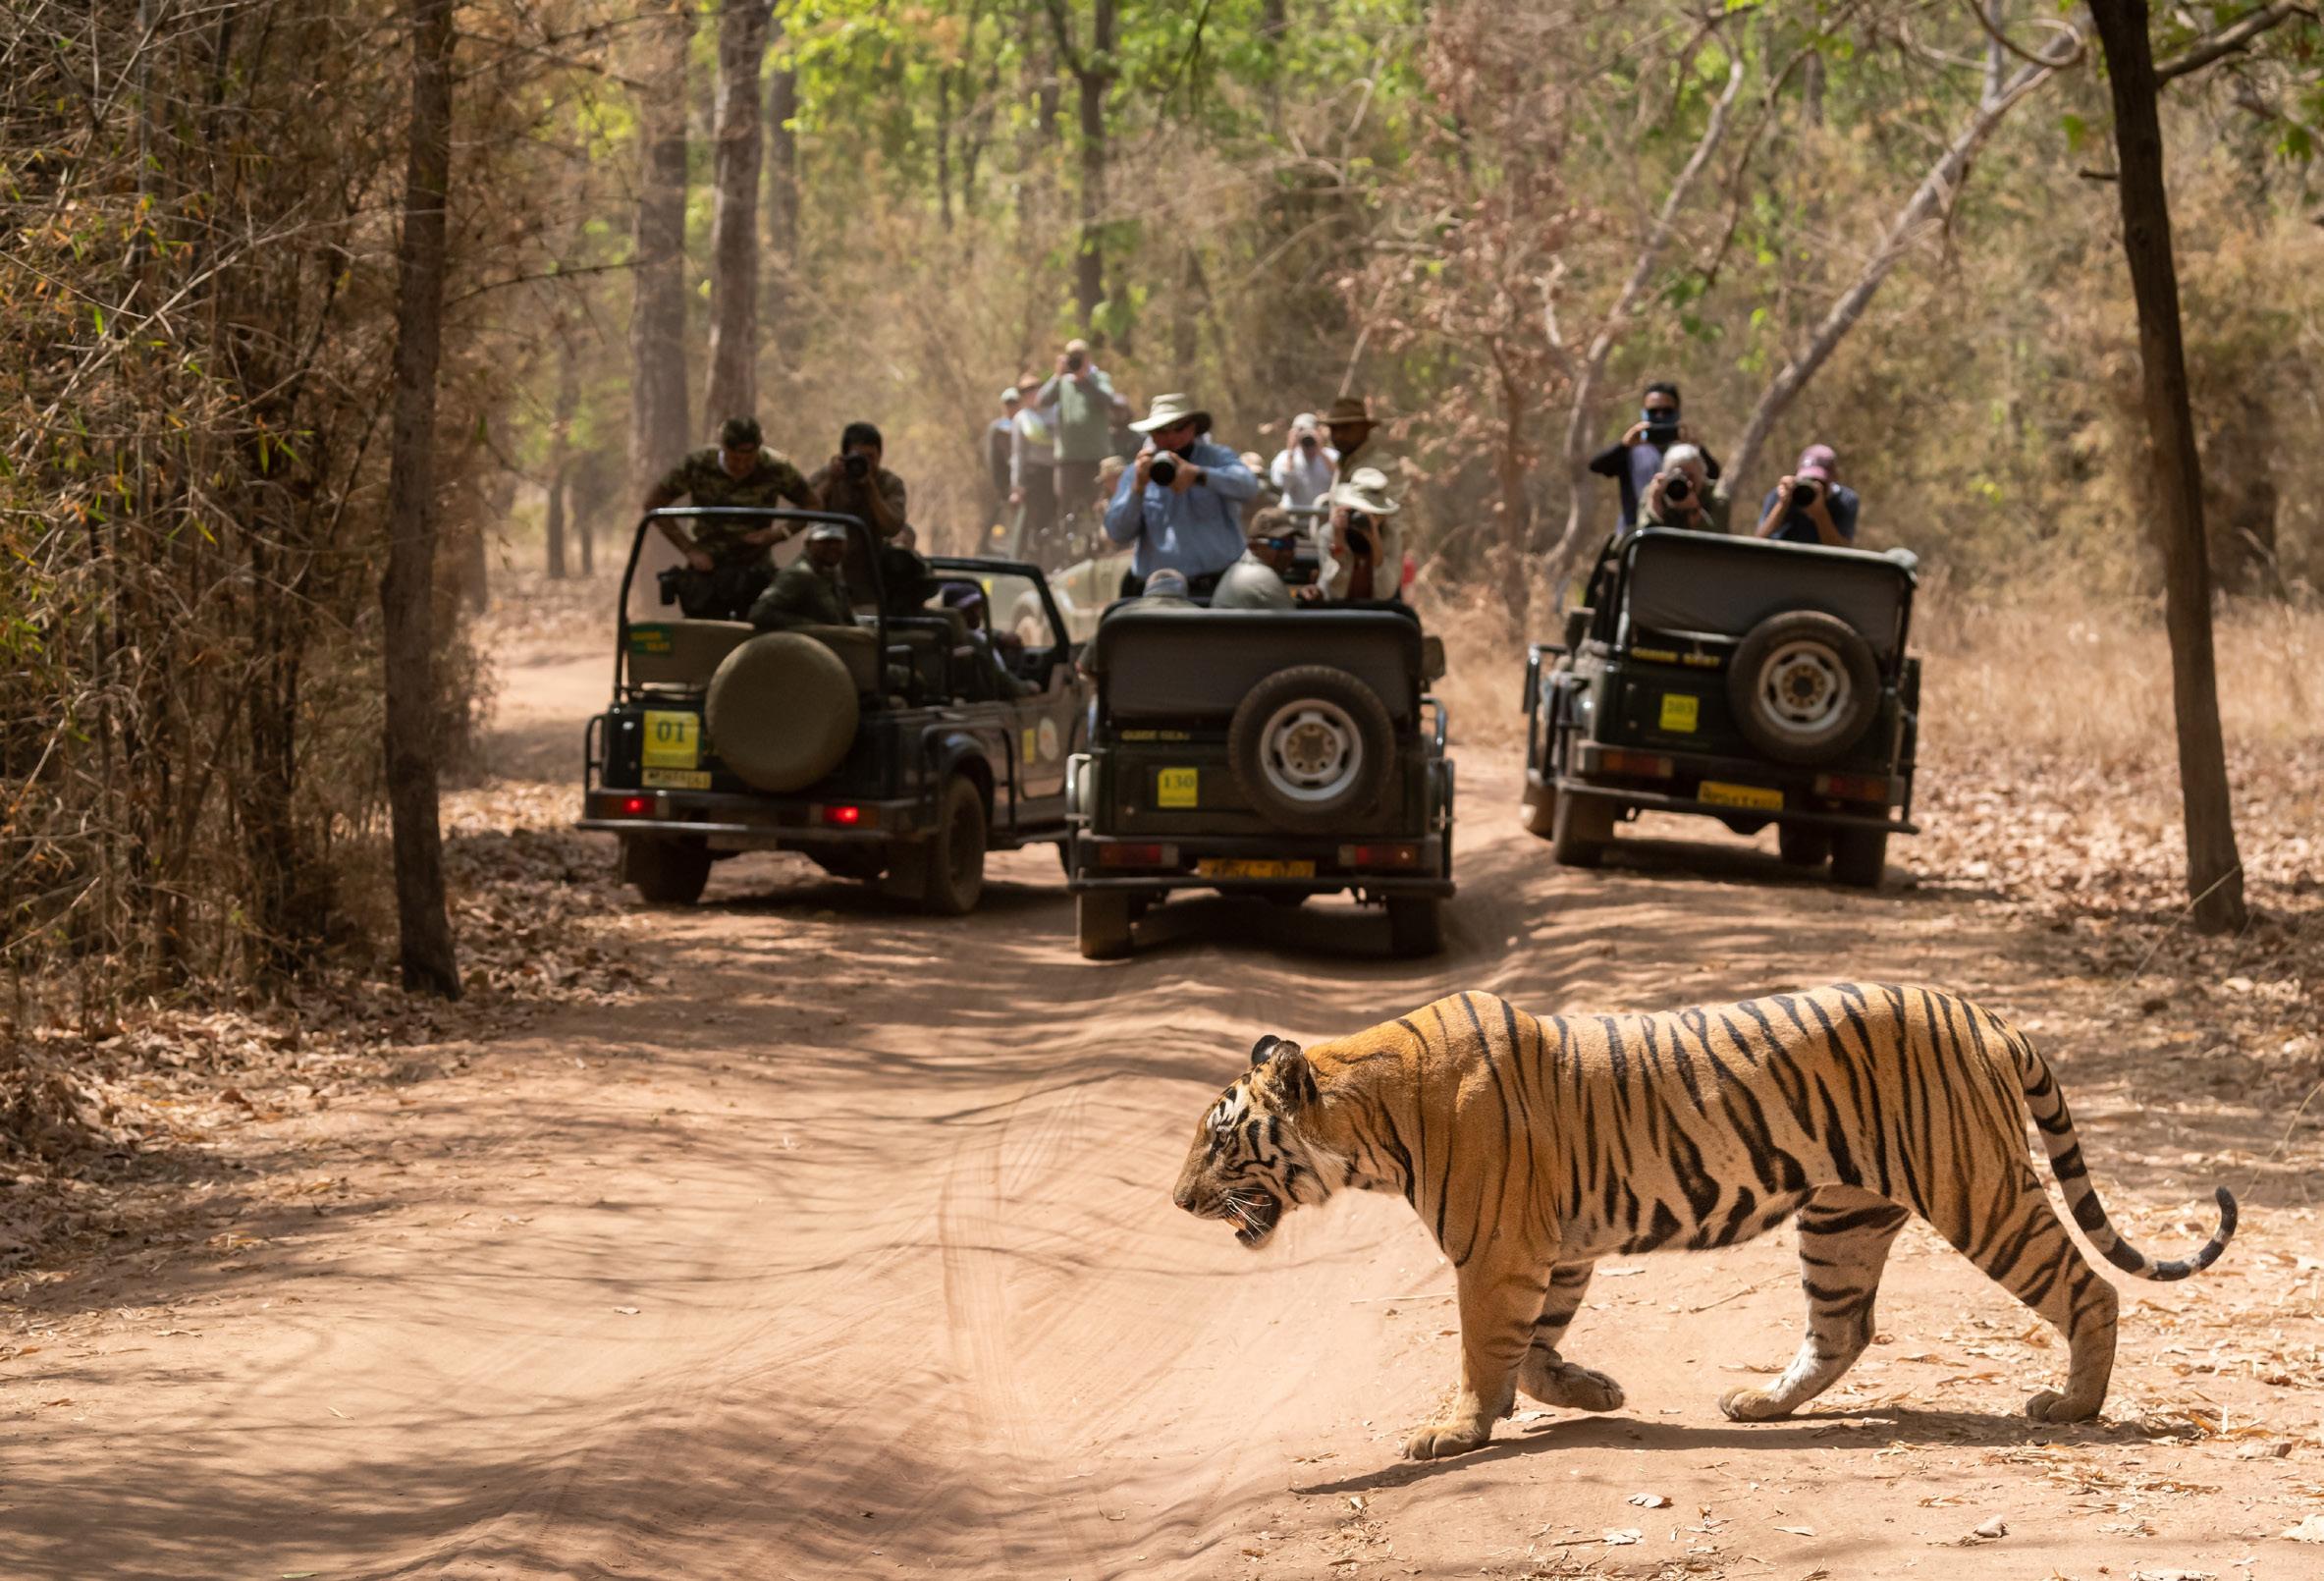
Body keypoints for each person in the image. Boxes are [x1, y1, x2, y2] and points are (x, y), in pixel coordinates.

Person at [642, 414, 818, 619]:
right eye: (735, 458)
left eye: (749, 459)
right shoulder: (698, 464)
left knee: (764, 621)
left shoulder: (776, 467)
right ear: (723, 447)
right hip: (707, 567)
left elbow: (813, 505)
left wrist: (779, 534)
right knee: (704, 630)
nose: (742, 465)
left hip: (756, 566)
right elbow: (654, 504)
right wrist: (689, 549)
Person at [1103, 393, 1260, 597]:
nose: (1170, 437)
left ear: (1193, 427)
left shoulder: (1217, 458)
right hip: (1159, 591)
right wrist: (1138, 489)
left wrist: (1199, 475)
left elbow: (1248, 487)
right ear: (1151, 433)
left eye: (1178, 428)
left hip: (1219, 586)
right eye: (1161, 431)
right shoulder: (1137, 471)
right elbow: (1117, 532)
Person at [1588, 381, 1723, 532]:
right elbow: (1596, 466)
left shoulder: (1687, 452)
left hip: (1686, 532)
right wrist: (1624, 446)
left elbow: (1714, 474)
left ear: (1677, 411)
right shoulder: (1632, 451)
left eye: (1667, 411)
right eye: (1653, 411)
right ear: (1643, 412)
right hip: (1636, 533)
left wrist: (1697, 446)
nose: (1660, 415)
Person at [810, 420, 910, 600]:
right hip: (826, 574)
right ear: (845, 456)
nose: (865, 463)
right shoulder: (830, 475)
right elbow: (804, 510)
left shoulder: (889, 483)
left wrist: (871, 489)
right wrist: (831, 482)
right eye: (858, 457)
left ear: (880, 456)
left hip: (870, 579)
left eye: (870, 457)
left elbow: (892, 526)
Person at [1038, 337, 1119, 526]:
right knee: (1066, 508)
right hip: (1069, 458)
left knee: (1097, 504)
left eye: (1079, 356)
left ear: (1087, 357)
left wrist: (1086, 378)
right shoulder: (1062, 383)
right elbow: (1042, 401)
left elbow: (1109, 399)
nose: (1075, 360)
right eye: (1071, 356)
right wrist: (1056, 376)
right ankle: (1068, 549)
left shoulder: (1099, 379)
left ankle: (1100, 543)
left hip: (1096, 456)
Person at [1312, 467, 1403, 602]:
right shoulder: (1328, 533)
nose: (1363, 519)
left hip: (1375, 615)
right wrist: (1338, 543)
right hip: (1336, 613)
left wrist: (1375, 542)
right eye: (1357, 512)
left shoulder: (1391, 537)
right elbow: (1334, 591)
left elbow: (1386, 593)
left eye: (1373, 514)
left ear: (1383, 516)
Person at [746, 521, 851, 631]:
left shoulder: (831, 572)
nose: (833, 547)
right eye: (826, 542)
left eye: (838, 542)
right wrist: (814, 627)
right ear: (808, 544)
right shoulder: (798, 574)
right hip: (811, 643)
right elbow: (760, 613)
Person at [1754, 443, 1860, 547]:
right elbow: (1759, 540)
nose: (1811, 486)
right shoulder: (1782, 494)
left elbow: (1842, 551)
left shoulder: (1845, 501)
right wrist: (1782, 504)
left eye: (1819, 481)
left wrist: (1820, 514)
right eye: (1806, 479)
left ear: (1834, 477)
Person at [1211, 508, 1301, 611]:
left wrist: (1298, 594)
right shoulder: (1263, 577)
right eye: (1277, 544)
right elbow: (1294, 624)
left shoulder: (1240, 568)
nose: (1287, 552)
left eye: (1290, 544)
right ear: (1254, 546)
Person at [1009, 374, 1058, 561]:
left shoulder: (1056, 411)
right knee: (1038, 522)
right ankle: (1039, 559)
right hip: (1035, 475)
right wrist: (1017, 485)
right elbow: (1018, 454)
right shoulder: (1021, 419)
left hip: (1058, 471)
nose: (1030, 393)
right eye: (1025, 391)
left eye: (1034, 388)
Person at [1638, 443, 1728, 533]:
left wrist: (1697, 514)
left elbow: (1719, 539)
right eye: (1675, 476)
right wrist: (1654, 504)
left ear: (1702, 475)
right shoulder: (1655, 493)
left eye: (1689, 477)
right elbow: (1644, 538)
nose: (1684, 483)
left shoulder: (1716, 498)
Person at [1268, 412, 1338, 513]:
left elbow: (1339, 478)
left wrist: (1321, 450)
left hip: (1323, 515)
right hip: (1295, 515)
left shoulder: (1332, 456)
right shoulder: (1284, 457)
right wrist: (1291, 451)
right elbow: (1282, 483)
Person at [986, 387, 1020, 519]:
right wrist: (1002, 486)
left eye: (1014, 403)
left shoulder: (1025, 423)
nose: (1012, 407)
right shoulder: (998, 428)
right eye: (1008, 403)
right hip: (1006, 482)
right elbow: (993, 459)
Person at [1322, 396, 1377, 469]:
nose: (1339, 435)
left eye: (1346, 428)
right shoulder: (1344, 461)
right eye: (1334, 428)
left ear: (1364, 428)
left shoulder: (1374, 468)